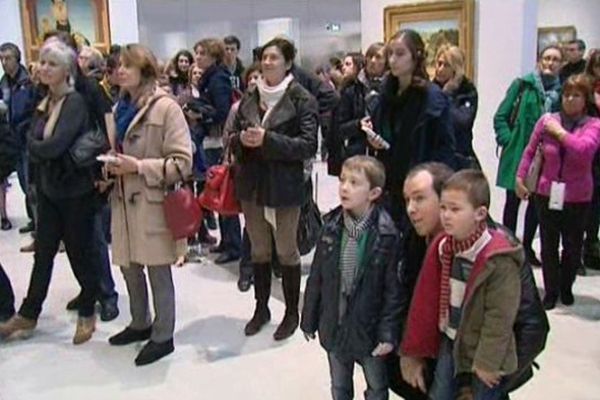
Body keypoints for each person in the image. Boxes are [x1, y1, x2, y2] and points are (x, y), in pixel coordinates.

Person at [396, 163, 549, 398]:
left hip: (488, 361)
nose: (410, 209)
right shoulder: (422, 242)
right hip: (447, 350)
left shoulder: (498, 251)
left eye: (419, 199)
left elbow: (533, 330)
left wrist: (489, 380)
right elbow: (411, 304)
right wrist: (410, 352)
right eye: (407, 200)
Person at [0, 39, 100, 345]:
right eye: (42, 62)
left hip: (74, 191)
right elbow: (30, 137)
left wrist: (37, 148)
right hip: (49, 189)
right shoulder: (45, 100)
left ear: (66, 70)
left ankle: (88, 311)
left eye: (51, 64)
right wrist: (39, 148)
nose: (43, 68)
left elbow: (53, 145)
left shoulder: (74, 103)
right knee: (43, 254)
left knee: (78, 252)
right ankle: (28, 313)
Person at [106, 44, 192, 366]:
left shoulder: (166, 108)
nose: (120, 71)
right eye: (118, 66)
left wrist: (139, 167)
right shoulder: (120, 108)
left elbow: (183, 163)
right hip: (124, 201)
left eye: (127, 65)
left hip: (153, 201)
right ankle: (139, 322)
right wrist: (110, 167)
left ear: (144, 70)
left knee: (158, 271)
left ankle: (162, 335)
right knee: (130, 266)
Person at [229, 37, 318, 340]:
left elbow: (308, 145)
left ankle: (292, 312)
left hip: (284, 187)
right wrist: (241, 140)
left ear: (288, 63)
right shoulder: (250, 96)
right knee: (259, 249)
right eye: (264, 57)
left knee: (286, 250)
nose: (267, 62)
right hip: (252, 184)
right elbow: (233, 136)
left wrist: (268, 139)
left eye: (274, 58)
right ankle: (261, 307)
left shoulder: (301, 98)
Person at [301, 155, 402, 400]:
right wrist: (309, 317)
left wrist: (388, 333)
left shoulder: (387, 235)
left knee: (377, 386)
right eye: (343, 180)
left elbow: (393, 291)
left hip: (368, 328)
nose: (344, 187)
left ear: (374, 192)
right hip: (334, 322)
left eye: (355, 183)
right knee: (339, 385)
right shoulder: (331, 226)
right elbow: (317, 278)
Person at [516, 74, 600, 310]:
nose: (570, 99)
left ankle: (566, 286)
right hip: (546, 192)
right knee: (548, 244)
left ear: (585, 99)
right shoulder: (547, 121)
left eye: (576, 95)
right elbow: (530, 152)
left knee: (572, 246)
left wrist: (560, 134)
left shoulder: (593, 125)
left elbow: (584, 150)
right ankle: (551, 290)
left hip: (577, 196)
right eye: (566, 94)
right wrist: (520, 178)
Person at [368, 29, 456, 226]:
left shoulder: (433, 98)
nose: (392, 60)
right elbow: (383, 132)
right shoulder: (385, 94)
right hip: (390, 181)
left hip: (420, 182)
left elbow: (445, 148)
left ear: (416, 57)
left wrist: (437, 188)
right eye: (390, 53)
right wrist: (373, 138)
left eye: (400, 54)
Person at [494, 44, 563, 266]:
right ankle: (507, 244)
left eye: (555, 59)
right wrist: (509, 139)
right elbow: (501, 116)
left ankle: (526, 247)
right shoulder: (523, 85)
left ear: (561, 64)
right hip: (519, 153)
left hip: (546, 157)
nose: (550, 63)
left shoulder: (562, 93)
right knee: (512, 201)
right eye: (546, 58)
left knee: (536, 204)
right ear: (539, 61)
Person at [192, 37, 241, 265]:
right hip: (211, 140)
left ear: (213, 56)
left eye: (203, 53)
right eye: (197, 53)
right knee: (216, 192)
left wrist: (201, 113)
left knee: (223, 192)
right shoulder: (209, 78)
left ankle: (233, 244)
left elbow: (223, 111)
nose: (198, 57)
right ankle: (227, 240)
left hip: (218, 141)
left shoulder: (217, 79)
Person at [223, 63, 261, 292]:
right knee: (251, 225)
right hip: (246, 171)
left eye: (259, 76)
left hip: (271, 173)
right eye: (252, 77)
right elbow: (228, 137)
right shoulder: (239, 108)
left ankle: (266, 267)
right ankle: (247, 270)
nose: (255, 80)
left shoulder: (273, 105)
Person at [0, 42, 37, 233]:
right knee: (22, 182)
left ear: (17, 59)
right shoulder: (4, 83)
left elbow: (30, 110)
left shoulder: (27, 82)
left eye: (8, 58)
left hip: (26, 138)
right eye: (2, 59)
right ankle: (33, 220)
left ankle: (40, 225)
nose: (4, 63)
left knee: (30, 182)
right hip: (10, 139)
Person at [433, 44, 479, 169]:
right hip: (435, 156)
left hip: (460, 156)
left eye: (446, 65)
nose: (440, 69)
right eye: (439, 63)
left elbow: (462, 122)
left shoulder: (468, 91)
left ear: (456, 69)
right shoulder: (431, 89)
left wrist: (447, 95)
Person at [582, 49, 600, 271]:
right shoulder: (584, 90)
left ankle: (592, 245)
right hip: (588, 153)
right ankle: (581, 251)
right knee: (587, 202)